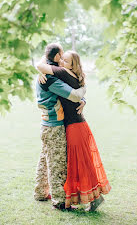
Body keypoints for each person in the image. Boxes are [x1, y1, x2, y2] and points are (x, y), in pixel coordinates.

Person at [37, 49, 111, 211]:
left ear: (72, 65)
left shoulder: (62, 72)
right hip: (78, 125)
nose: (61, 62)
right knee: (82, 163)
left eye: (66, 60)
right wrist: (83, 98)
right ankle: (92, 198)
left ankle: (94, 198)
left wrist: (39, 69)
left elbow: (41, 64)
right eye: (61, 58)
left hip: (75, 127)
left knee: (81, 164)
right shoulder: (74, 76)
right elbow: (78, 92)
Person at [34, 43, 86, 211]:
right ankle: (59, 201)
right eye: (62, 56)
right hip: (54, 125)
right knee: (57, 163)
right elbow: (73, 95)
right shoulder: (50, 79)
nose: (63, 59)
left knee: (44, 159)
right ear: (56, 57)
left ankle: (40, 192)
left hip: (46, 125)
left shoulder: (45, 74)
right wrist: (83, 93)